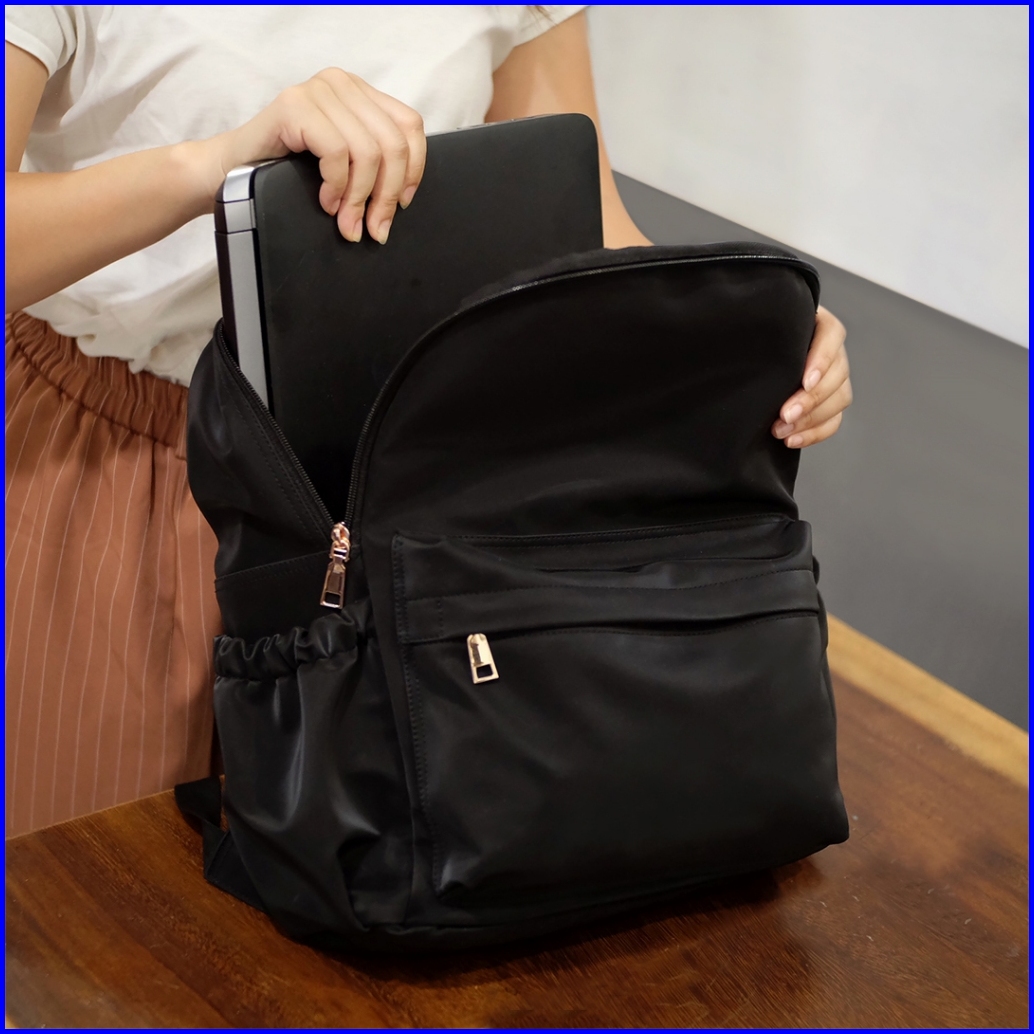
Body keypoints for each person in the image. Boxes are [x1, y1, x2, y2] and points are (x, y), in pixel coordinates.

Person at [5, 6, 852, 838]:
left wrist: (748, 333)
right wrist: (217, 166)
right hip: (121, 470)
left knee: (417, 876)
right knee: (104, 881)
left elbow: (582, 214)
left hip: (422, 481)